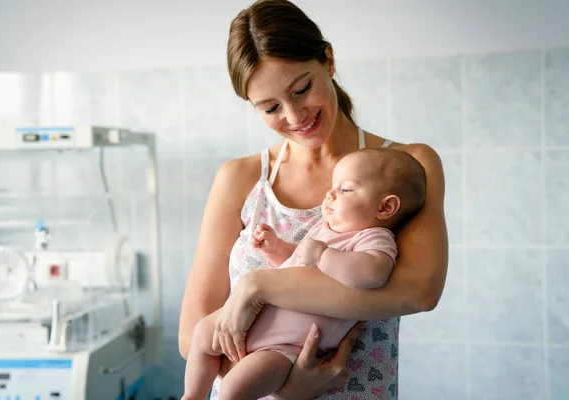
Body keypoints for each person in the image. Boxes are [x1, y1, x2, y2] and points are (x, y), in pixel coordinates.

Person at [178, 0, 449, 398]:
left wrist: (259, 286)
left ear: (328, 60)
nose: (294, 115)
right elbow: (193, 335)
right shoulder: (239, 179)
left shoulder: (407, 167)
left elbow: (417, 292)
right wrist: (288, 391)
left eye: (302, 88)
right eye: (270, 107)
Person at [182, 148, 426, 400]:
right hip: (252, 324)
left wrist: (323, 256)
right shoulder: (324, 229)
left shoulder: (373, 238)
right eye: (333, 186)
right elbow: (296, 263)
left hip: (287, 348)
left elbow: (372, 274)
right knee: (202, 331)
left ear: (385, 207)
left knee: (235, 388)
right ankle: (193, 395)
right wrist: (276, 248)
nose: (330, 194)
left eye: (346, 190)